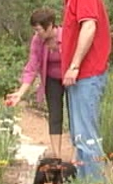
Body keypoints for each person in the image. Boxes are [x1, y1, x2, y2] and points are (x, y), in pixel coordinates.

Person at [44, 0, 112, 183]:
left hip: (87, 75)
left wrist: (74, 66)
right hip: (78, 78)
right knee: (79, 136)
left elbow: (90, 27)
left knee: (88, 138)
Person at [5, 8, 67, 158]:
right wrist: (20, 93)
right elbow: (32, 67)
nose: (37, 33)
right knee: (54, 115)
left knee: (75, 114)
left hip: (70, 77)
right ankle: (57, 156)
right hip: (52, 79)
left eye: (39, 29)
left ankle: (79, 154)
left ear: (50, 25)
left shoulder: (66, 35)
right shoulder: (37, 41)